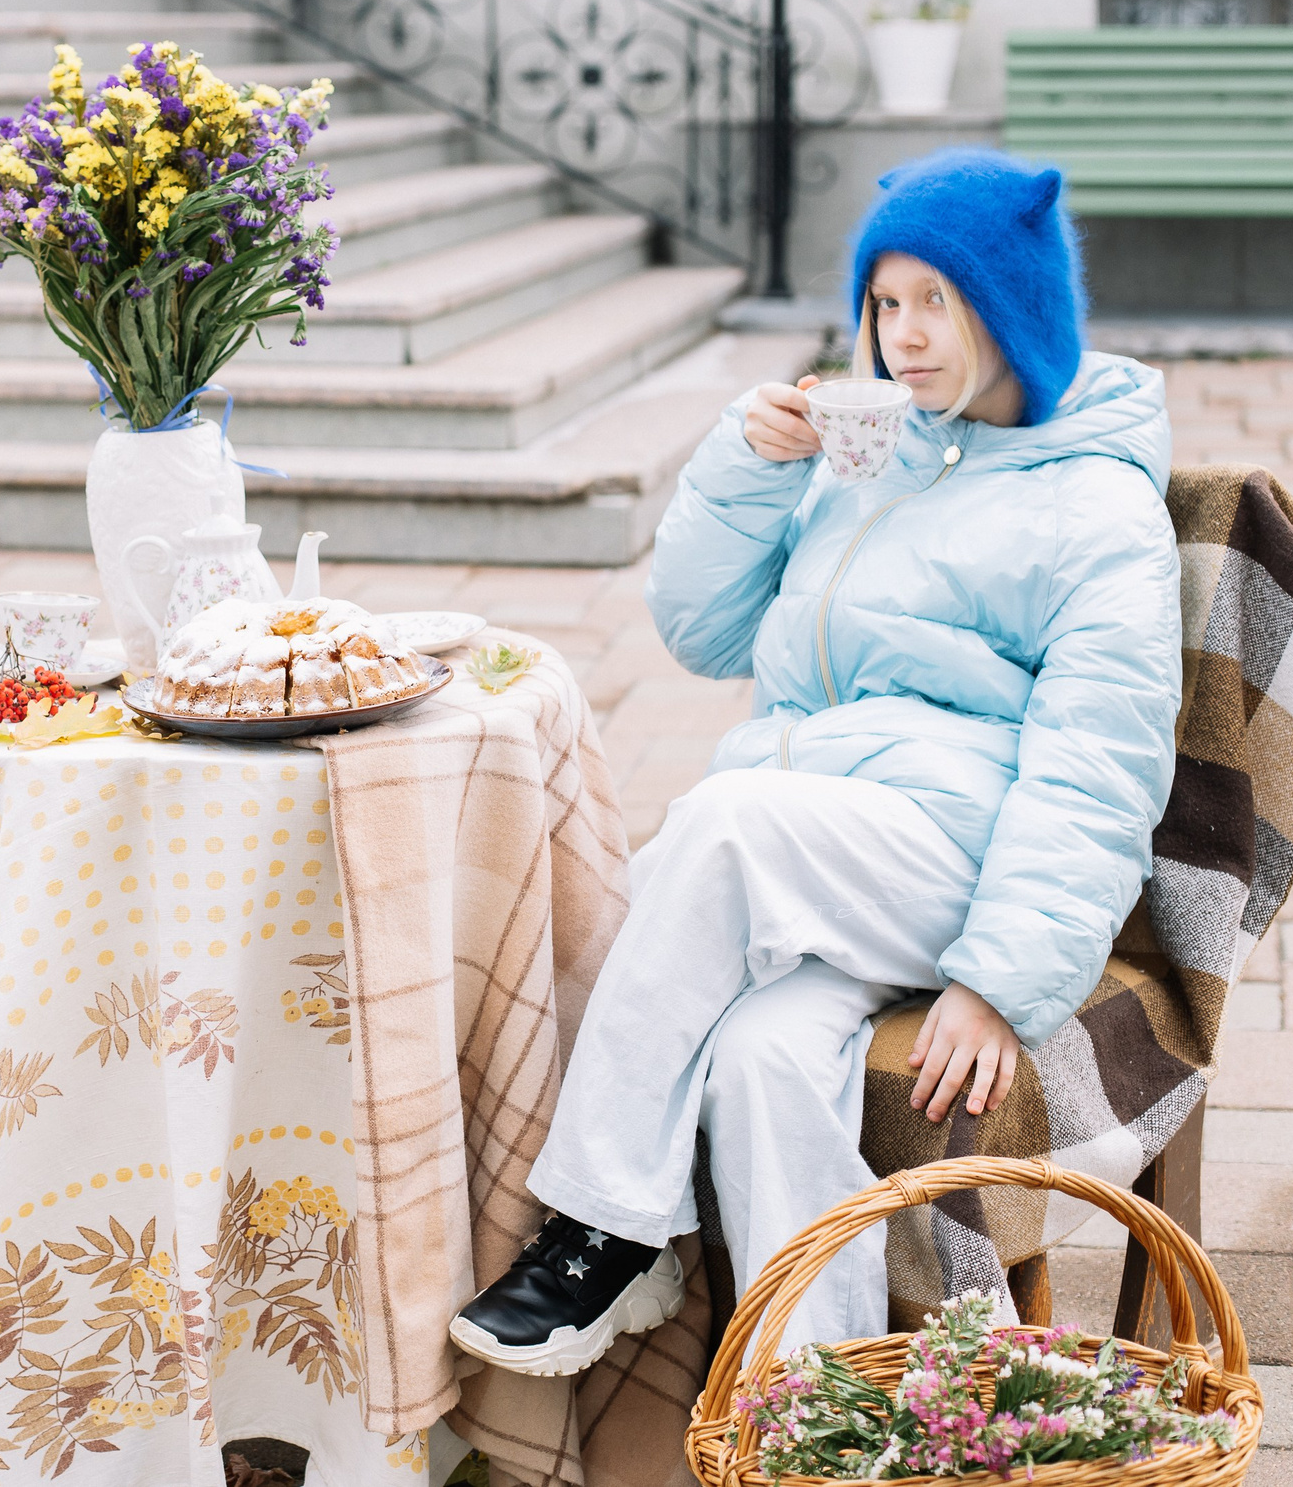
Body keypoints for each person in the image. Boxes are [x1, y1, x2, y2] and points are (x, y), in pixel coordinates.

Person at [450, 147, 1180, 1373]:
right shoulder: (865, 458)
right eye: (882, 305)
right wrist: (745, 465)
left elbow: (1098, 767)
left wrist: (1003, 978)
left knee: (723, 822)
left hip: (949, 849)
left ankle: (598, 1229)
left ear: (1012, 310)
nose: (901, 338)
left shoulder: (1093, 507)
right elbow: (703, 630)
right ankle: (816, 1406)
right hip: (824, 847)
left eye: (935, 303)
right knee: (760, 1057)